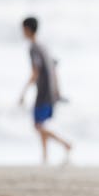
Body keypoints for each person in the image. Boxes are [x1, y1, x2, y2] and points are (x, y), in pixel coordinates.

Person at [19, 17, 72, 163]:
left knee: (37, 125)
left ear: (28, 29)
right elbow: (54, 67)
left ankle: (66, 144)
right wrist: (57, 90)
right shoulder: (43, 46)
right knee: (41, 124)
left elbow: (35, 72)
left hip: (43, 92)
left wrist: (23, 92)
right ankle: (45, 157)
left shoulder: (33, 48)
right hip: (50, 90)